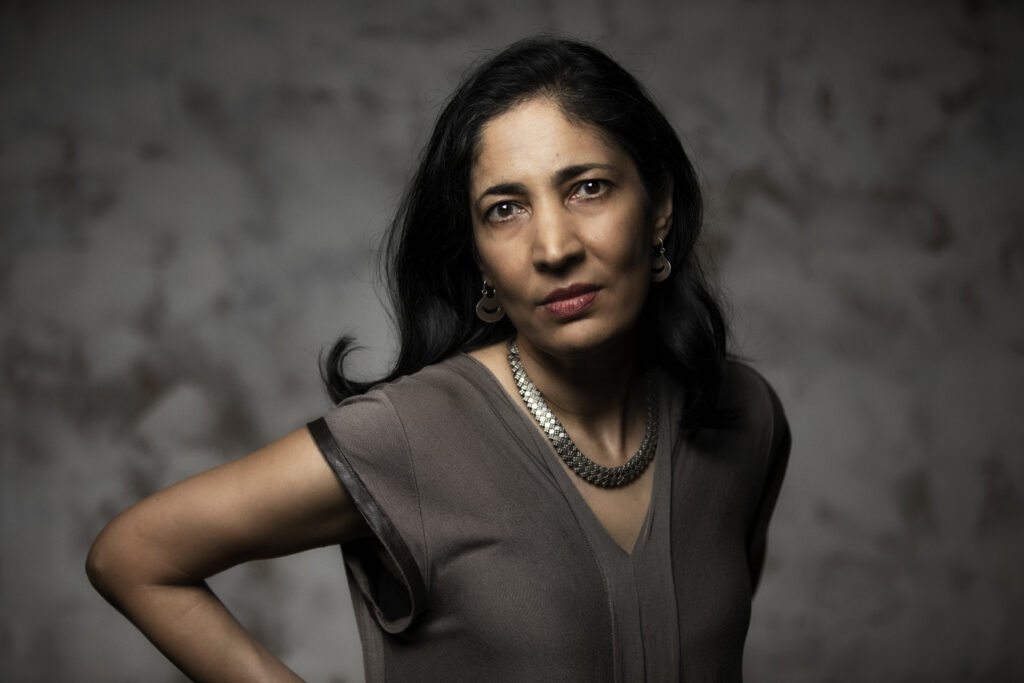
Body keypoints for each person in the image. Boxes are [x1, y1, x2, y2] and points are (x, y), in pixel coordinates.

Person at [87, 36, 790, 682]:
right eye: (505, 208)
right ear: (478, 256)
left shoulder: (745, 417)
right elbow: (135, 556)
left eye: (588, 188)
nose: (554, 247)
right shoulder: (413, 437)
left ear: (659, 205)